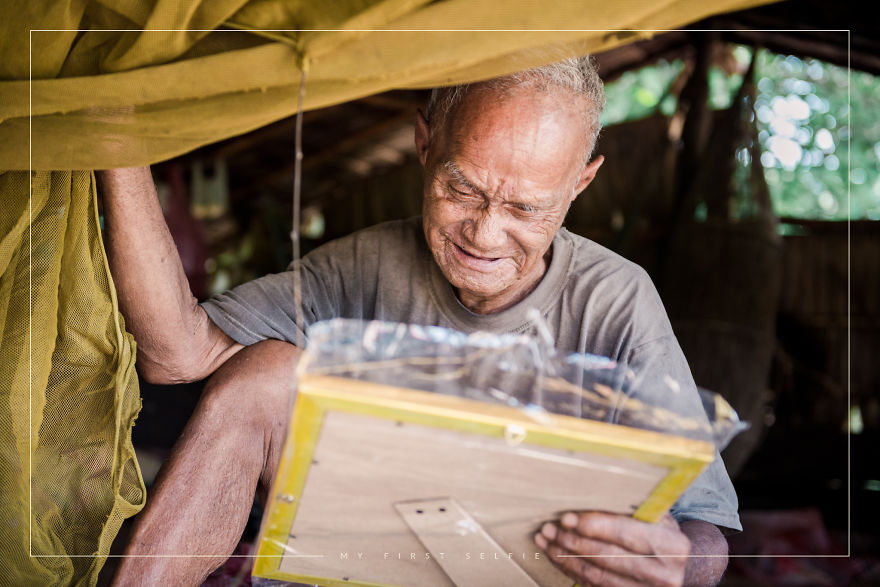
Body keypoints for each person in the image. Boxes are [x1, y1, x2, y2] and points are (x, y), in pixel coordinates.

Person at [100, 56, 739, 586]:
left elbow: (707, 528)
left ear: (580, 183)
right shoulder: (364, 265)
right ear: (425, 143)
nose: (485, 234)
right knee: (266, 374)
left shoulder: (618, 300)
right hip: (366, 570)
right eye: (461, 189)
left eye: (525, 207)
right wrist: (115, 139)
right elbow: (175, 355)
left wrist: (682, 562)